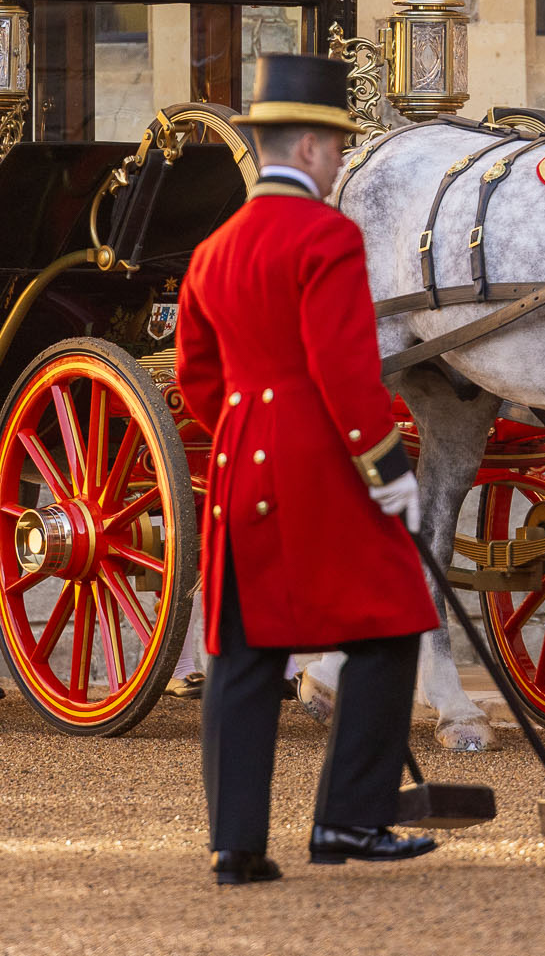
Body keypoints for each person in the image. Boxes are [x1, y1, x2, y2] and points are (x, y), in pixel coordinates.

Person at [175, 53, 438, 887]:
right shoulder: (326, 234)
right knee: (393, 622)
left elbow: (195, 375)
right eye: (337, 145)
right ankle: (350, 820)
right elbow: (342, 367)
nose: (337, 161)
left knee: (247, 650)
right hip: (321, 454)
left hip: (240, 458)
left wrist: (246, 426)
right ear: (316, 146)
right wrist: (386, 460)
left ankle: (236, 844)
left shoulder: (213, 248)